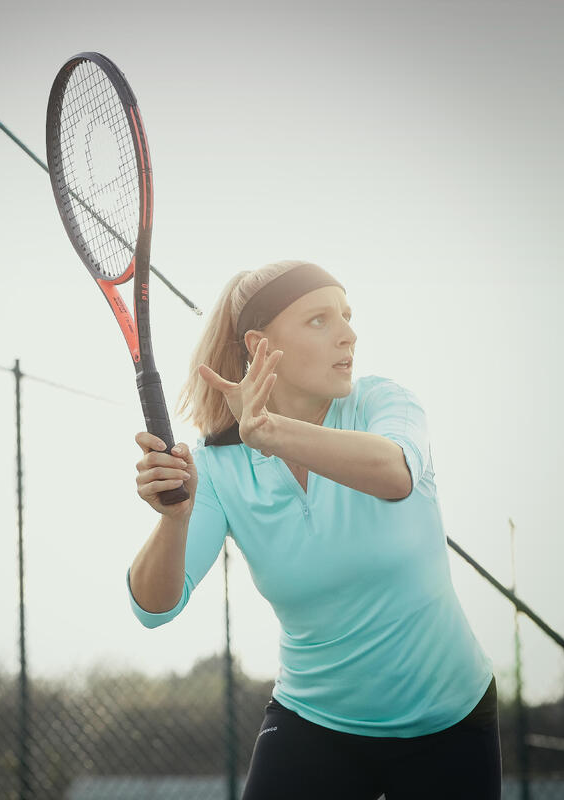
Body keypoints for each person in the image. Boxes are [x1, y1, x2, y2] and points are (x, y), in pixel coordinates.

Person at [127, 260, 502, 799]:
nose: (349, 333)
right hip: (314, 723)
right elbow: (154, 608)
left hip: (448, 724)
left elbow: (394, 474)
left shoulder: (382, 402)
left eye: (346, 315)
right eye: (320, 320)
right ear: (259, 345)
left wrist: (271, 432)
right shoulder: (216, 469)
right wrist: (175, 521)